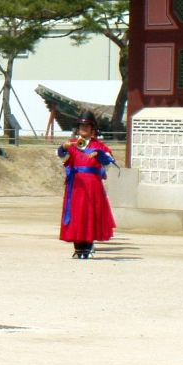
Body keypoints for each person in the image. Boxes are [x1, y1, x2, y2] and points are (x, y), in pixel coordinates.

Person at [58, 110, 116, 259]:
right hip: (77, 185)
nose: (83, 128)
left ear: (92, 129)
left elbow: (109, 163)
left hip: (92, 185)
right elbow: (62, 157)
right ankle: (78, 249)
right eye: (81, 126)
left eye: (87, 126)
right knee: (77, 215)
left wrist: (100, 155)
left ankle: (87, 248)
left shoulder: (99, 146)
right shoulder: (72, 144)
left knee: (89, 214)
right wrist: (63, 148)